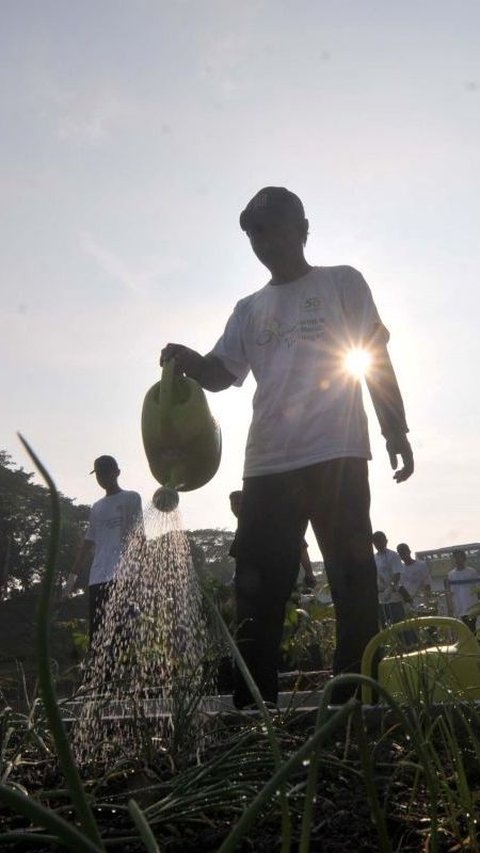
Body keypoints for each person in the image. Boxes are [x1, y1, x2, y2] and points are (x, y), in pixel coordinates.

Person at [161, 186, 414, 708]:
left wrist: (395, 428)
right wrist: (188, 359)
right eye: (254, 232)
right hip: (269, 463)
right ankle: (254, 713)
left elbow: (373, 355)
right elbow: (220, 373)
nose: (263, 240)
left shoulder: (343, 282)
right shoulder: (249, 308)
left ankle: (352, 705)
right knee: (256, 589)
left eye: (273, 227)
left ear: (302, 230)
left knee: (352, 580)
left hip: (337, 454)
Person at [64, 455, 143, 641]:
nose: (102, 478)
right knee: (98, 635)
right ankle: (101, 669)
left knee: (125, 634)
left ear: (117, 472)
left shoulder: (131, 498)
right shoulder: (97, 507)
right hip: (98, 577)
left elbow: (139, 537)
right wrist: (71, 579)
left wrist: (142, 573)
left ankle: (126, 668)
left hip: (125, 576)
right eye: (99, 474)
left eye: (106, 472)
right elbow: (88, 542)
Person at [372, 531, 406, 627]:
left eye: (381, 541)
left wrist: (390, 588)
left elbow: (397, 573)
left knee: (399, 625)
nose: (379, 544)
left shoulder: (393, 555)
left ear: (386, 541)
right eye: (376, 542)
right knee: (384, 625)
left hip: (393, 595)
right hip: (381, 596)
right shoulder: (374, 558)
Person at [447, 550, 479, 633]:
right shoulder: (451, 575)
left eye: (459, 557)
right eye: (455, 557)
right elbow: (451, 592)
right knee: (465, 629)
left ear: (464, 558)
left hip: (471, 606)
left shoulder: (471, 571)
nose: (457, 559)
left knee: (471, 628)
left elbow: (477, 587)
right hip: (460, 607)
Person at [396, 543, 431, 610]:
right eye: (400, 553)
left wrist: (428, 601)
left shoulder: (421, 565)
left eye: (404, 552)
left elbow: (427, 584)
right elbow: (400, 587)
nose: (402, 555)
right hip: (406, 605)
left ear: (409, 551)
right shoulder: (400, 569)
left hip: (421, 603)